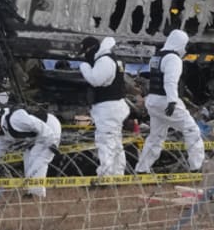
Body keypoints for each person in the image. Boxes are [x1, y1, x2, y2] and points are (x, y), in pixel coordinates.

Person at [136, 30, 204, 174]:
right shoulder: (173, 59)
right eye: (184, 44)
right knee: (192, 130)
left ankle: (142, 169)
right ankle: (196, 167)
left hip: (153, 101)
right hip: (166, 101)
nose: (184, 48)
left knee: (156, 136)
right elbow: (170, 81)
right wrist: (172, 101)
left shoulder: (156, 57)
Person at [0, 106, 61, 198]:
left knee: (39, 159)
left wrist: (52, 142)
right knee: (28, 159)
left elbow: (39, 125)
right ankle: (32, 191)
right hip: (35, 136)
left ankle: (36, 194)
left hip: (49, 126)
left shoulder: (15, 119)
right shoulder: (2, 135)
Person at [78, 36, 129, 177]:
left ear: (91, 49)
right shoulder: (114, 59)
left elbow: (95, 80)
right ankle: (118, 174)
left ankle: (105, 176)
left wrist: (85, 67)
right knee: (116, 142)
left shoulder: (104, 60)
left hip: (108, 108)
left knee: (105, 142)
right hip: (115, 106)